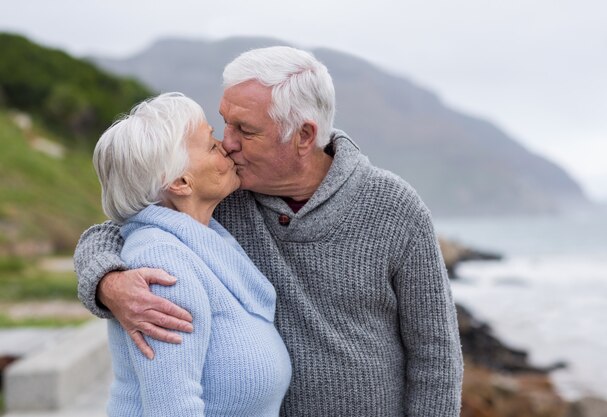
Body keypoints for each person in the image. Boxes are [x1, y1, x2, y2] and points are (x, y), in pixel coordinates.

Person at [75, 47, 463, 416]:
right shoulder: (225, 194)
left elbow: (437, 355)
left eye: (245, 129)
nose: (227, 143)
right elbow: (128, 226)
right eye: (225, 123)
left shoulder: (393, 206)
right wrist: (108, 282)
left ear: (304, 136)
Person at [91, 92, 291, 416]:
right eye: (212, 145)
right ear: (181, 182)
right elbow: (172, 408)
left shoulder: (203, 237)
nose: (226, 146)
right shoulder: (162, 269)